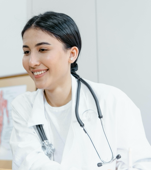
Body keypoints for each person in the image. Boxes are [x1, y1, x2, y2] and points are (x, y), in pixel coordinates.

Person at [9, 11, 151, 170]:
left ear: (72, 54)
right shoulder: (23, 106)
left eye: (42, 49)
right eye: (26, 52)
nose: (32, 62)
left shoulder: (112, 100)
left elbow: (139, 163)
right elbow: (28, 162)